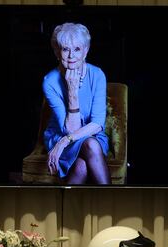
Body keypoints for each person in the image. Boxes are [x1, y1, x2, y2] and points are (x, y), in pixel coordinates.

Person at [43, 23, 111, 185]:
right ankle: (113, 204)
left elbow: (97, 124)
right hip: (61, 133)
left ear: (86, 51)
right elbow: (70, 129)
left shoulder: (97, 75)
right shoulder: (50, 81)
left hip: (90, 134)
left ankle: (65, 208)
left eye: (77, 49)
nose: (71, 55)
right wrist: (72, 91)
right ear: (56, 52)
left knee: (84, 161)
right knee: (90, 148)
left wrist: (64, 141)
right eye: (65, 49)